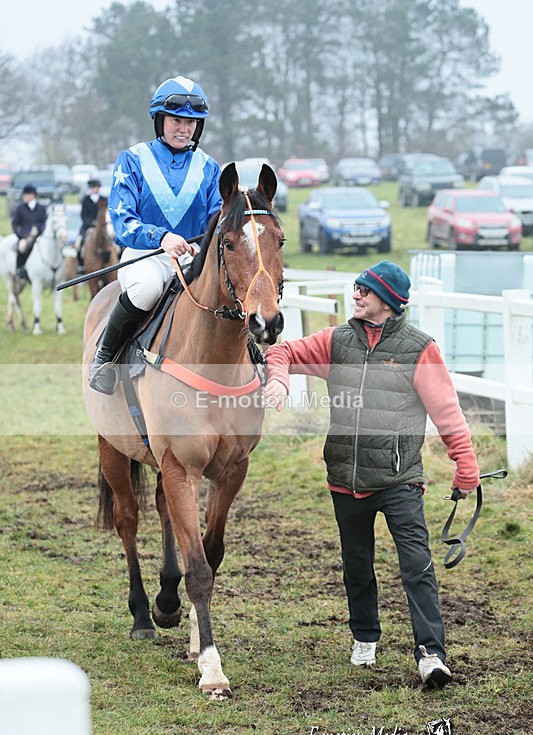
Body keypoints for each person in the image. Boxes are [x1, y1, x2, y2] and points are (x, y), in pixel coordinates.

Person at [264, 260, 480, 689]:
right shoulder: (336, 341)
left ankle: (431, 654)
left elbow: (448, 414)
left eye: (365, 289)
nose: (356, 294)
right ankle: (365, 637)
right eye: (357, 287)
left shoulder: (419, 349)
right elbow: (281, 351)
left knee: (417, 566)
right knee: (357, 566)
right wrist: (280, 381)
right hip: (345, 478)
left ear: (387, 301)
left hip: (400, 480)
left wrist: (466, 466)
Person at [89, 75, 222, 394]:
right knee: (148, 288)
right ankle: (105, 359)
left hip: (193, 259)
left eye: (192, 122)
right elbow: (123, 221)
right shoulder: (132, 160)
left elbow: (217, 218)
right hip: (144, 255)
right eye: (177, 120)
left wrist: (203, 243)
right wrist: (162, 237)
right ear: (160, 120)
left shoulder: (208, 167)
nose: (184, 128)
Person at [11, 185, 48, 282]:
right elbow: (15, 224)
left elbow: (44, 223)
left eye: (25, 194)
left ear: (32, 195)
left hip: (39, 236)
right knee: (23, 246)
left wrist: (38, 229)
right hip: (25, 236)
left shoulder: (42, 208)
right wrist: (21, 236)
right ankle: (20, 268)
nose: (23, 197)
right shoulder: (20, 208)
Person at [77, 177, 102, 267]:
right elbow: (83, 215)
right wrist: (91, 223)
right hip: (88, 226)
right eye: (91, 187)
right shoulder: (86, 200)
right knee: (78, 243)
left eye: (94, 187)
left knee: (115, 242)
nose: (93, 189)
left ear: (98, 188)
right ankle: (81, 264)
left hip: (103, 227)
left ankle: (118, 260)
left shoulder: (103, 199)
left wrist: (100, 224)